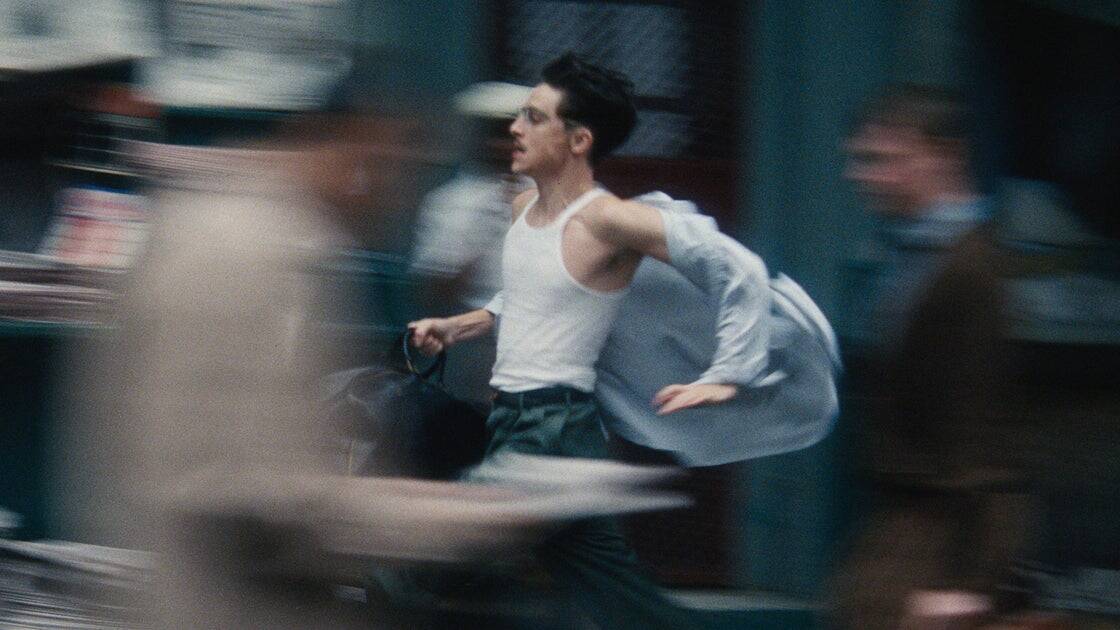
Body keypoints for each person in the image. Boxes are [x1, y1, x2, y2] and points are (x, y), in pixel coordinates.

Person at [408, 52, 778, 629]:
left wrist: (728, 373)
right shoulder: (523, 207)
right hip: (516, 420)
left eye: (533, 117)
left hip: (552, 430)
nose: (514, 128)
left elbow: (739, 269)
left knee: (429, 561)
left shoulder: (608, 220)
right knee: (622, 604)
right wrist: (460, 325)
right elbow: (529, 297)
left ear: (579, 140)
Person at [830, 84, 1035, 630]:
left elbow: (985, 430)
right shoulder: (906, 255)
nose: (861, 175)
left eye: (882, 160)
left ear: (943, 157)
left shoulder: (973, 270)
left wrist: (967, 580)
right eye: (861, 159)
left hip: (940, 529)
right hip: (897, 516)